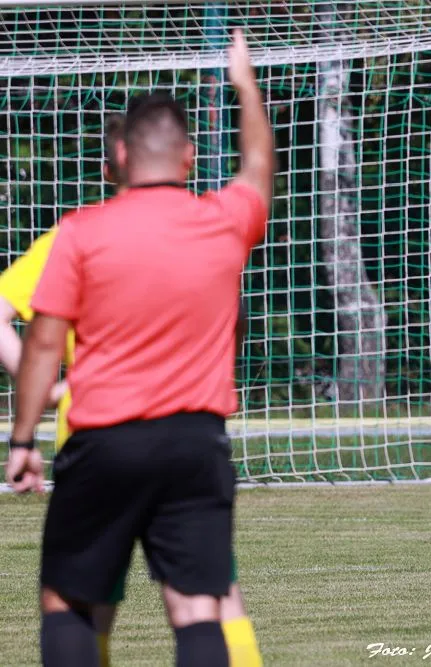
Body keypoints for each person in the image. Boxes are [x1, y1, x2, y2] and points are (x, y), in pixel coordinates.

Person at [5, 27, 273, 667]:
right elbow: (258, 167)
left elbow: (43, 343)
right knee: (201, 609)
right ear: (189, 158)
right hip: (195, 442)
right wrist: (246, 86)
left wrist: (23, 438)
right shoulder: (223, 221)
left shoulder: (80, 233)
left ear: (119, 158)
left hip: (103, 439)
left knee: (69, 604)